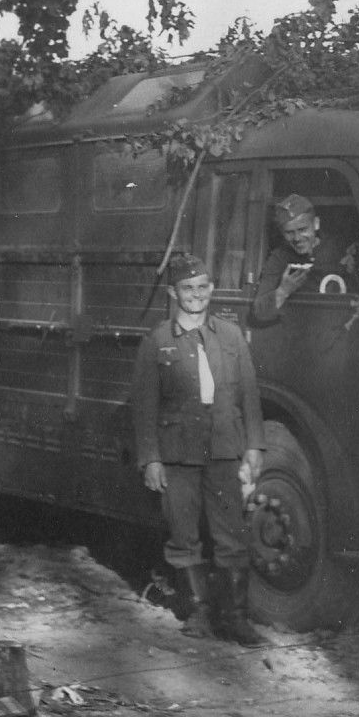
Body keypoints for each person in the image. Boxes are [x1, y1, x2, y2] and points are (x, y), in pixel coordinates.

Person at [132, 253, 267, 645]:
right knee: (183, 534)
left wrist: (254, 446)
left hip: (224, 448)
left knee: (231, 535)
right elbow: (144, 406)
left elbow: (250, 395)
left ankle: (235, 618)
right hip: (178, 454)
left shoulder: (231, 336)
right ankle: (199, 614)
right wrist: (151, 458)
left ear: (211, 289)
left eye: (202, 287)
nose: (196, 295)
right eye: (187, 288)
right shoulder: (158, 341)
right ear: (173, 293)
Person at [251, 193, 347, 324]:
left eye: (302, 229)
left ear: (316, 223)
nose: (297, 238)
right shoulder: (279, 258)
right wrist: (283, 291)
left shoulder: (338, 250)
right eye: (289, 232)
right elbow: (259, 312)